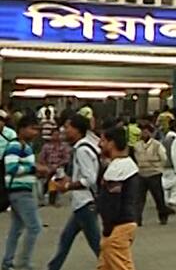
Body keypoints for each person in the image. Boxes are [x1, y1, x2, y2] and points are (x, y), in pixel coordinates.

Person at [49, 114, 102, 270]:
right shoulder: (84, 146)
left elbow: (89, 179)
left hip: (86, 203)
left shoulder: (82, 150)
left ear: (77, 130)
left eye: (68, 127)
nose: (65, 130)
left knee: (96, 244)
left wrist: (67, 186)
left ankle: (114, 266)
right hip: (81, 204)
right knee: (66, 238)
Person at [2, 116, 45, 270]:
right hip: (21, 192)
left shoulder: (25, 146)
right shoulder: (15, 145)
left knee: (17, 228)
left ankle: (8, 262)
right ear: (22, 129)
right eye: (32, 128)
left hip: (21, 190)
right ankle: (23, 263)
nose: (35, 132)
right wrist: (34, 169)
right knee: (34, 227)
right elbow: (12, 168)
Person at [96, 127, 139, 270]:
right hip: (122, 225)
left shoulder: (118, 169)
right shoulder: (125, 165)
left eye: (102, 140)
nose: (99, 145)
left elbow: (112, 202)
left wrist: (108, 229)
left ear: (111, 143)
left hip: (118, 227)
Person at [133, 124, 172, 226]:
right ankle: (137, 218)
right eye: (142, 132)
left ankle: (163, 216)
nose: (144, 134)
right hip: (142, 173)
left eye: (146, 132)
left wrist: (158, 167)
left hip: (154, 173)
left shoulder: (157, 145)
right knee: (139, 198)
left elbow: (163, 158)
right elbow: (136, 157)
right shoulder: (137, 145)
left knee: (158, 197)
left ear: (151, 133)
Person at [39, 128, 71, 206]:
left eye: (58, 135)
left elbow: (67, 158)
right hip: (48, 167)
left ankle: (53, 197)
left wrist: (57, 165)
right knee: (48, 174)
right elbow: (42, 158)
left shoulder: (64, 146)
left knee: (56, 174)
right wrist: (46, 166)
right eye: (54, 135)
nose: (56, 137)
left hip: (59, 167)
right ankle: (46, 196)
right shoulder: (46, 146)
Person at [161, 123, 176, 208]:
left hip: (164, 166)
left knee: (165, 185)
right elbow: (174, 154)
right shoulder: (175, 139)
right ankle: (172, 201)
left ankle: (166, 200)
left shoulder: (165, 139)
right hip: (172, 165)